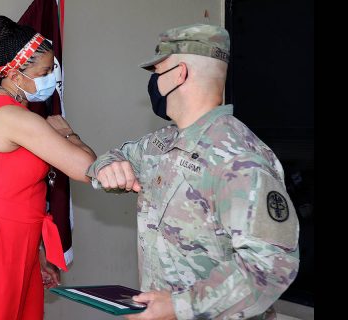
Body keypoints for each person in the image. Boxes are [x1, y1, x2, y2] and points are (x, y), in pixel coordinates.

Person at [86, 24, 299, 320]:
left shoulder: (239, 160)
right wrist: (108, 167)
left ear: (179, 74)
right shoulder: (163, 142)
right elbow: (115, 156)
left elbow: (271, 265)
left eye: (157, 72)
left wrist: (179, 307)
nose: (154, 83)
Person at [0, 15, 96, 320]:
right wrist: (67, 133)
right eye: (44, 71)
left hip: (21, 242)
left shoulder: (23, 116)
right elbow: (87, 167)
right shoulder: (11, 118)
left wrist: (37, 251)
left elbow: (26, 190)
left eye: (52, 69)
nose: (52, 78)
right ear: (14, 74)